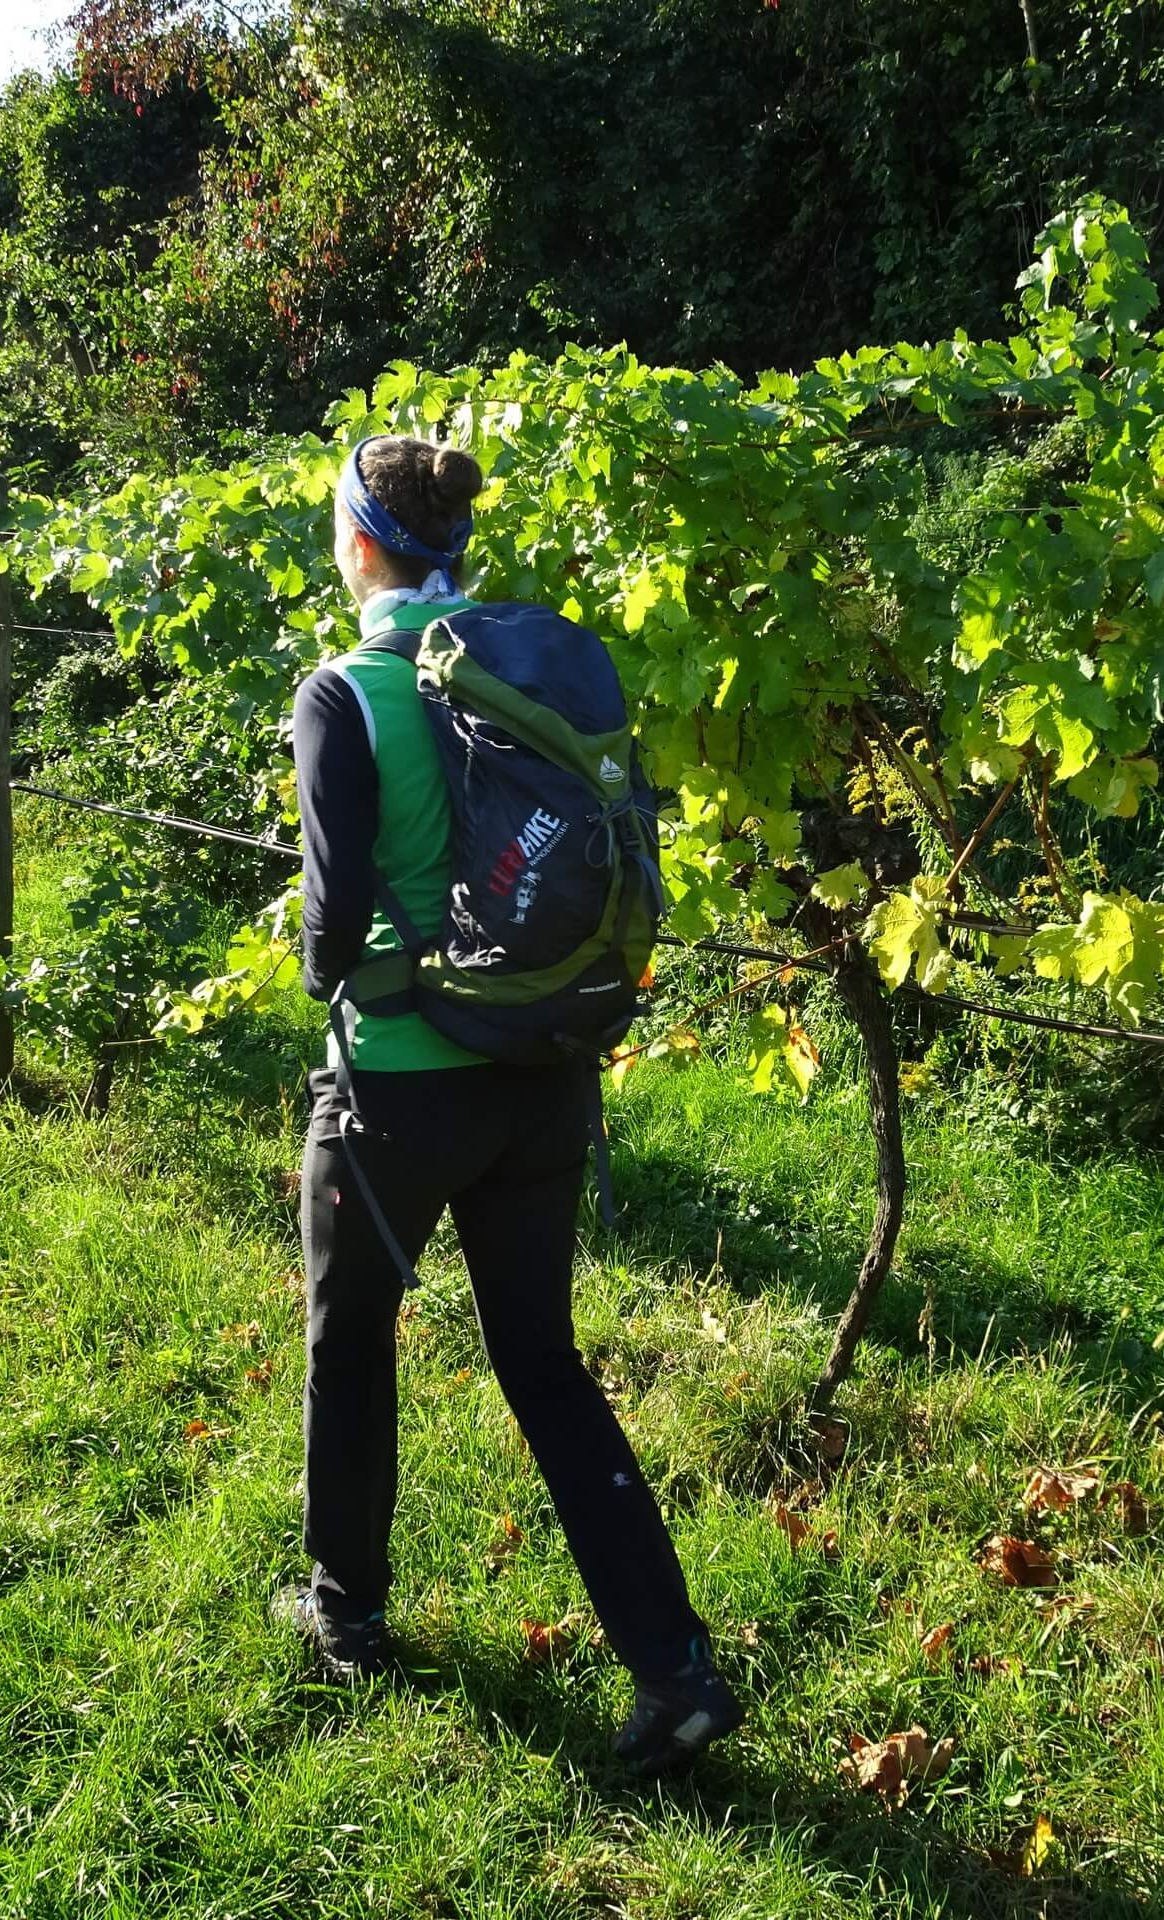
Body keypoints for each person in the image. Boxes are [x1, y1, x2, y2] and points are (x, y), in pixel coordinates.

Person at [277, 432, 743, 1777]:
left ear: (361, 542)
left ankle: (348, 1615)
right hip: (542, 1077)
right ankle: (676, 1669)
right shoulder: (517, 668)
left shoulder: (346, 693)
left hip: (399, 1095)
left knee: (351, 1335)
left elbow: (329, 934)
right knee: (545, 1366)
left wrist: (342, 951)